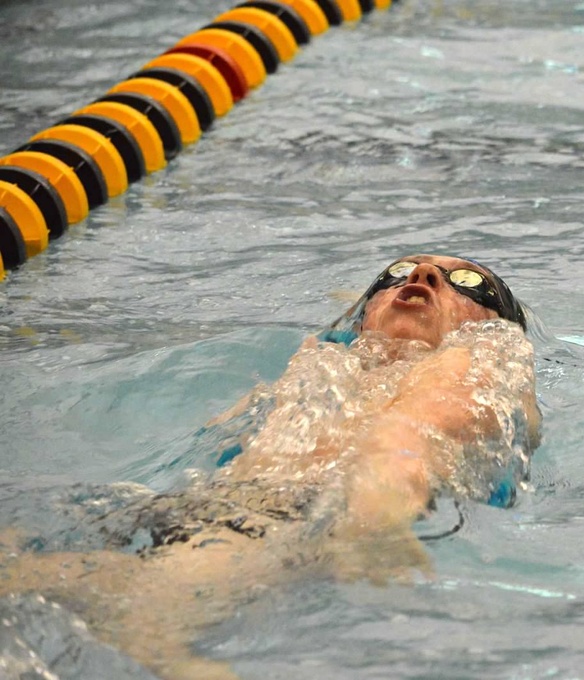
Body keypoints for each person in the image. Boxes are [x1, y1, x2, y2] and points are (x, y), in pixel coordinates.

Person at [0, 253, 541, 680]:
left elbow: (409, 439)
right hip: (193, 509)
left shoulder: (480, 358)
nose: (420, 275)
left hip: (304, 520)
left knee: (135, 629)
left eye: (468, 282)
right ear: (365, 312)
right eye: (393, 273)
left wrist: (377, 517)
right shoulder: (333, 358)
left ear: (496, 324)